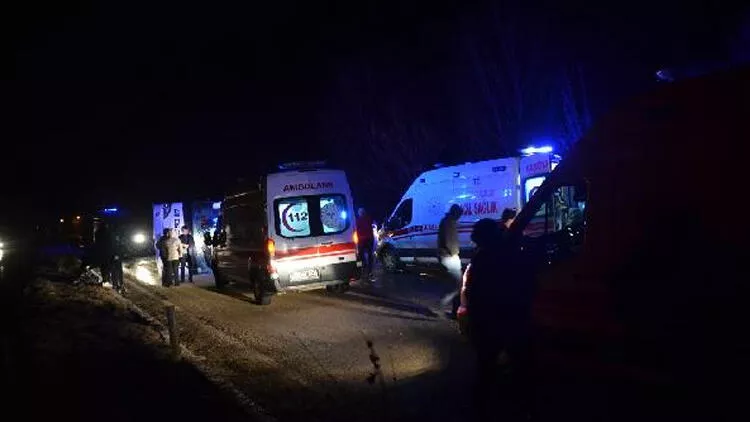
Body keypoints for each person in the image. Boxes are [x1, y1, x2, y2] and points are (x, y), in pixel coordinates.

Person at [464, 218, 533, 420]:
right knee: (518, 362)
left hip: (490, 321)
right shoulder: (510, 253)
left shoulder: (482, 259)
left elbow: (474, 294)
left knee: (487, 367)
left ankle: (483, 409)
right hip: (511, 317)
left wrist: (473, 321)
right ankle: (520, 406)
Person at [438, 204, 463, 317]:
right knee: (458, 285)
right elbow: (449, 241)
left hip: (447, 256)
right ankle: (444, 304)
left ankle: (452, 309)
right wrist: (455, 253)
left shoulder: (447, 221)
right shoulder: (449, 222)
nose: (460, 217)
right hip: (449, 256)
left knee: (455, 284)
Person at [355, 207, 375, 280]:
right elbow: (373, 225)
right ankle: (369, 270)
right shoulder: (368, 219)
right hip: (369, 239)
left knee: (361, 256)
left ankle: (363, 268)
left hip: (362, 240)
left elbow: (355, 229)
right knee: (369, 255)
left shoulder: (357, 220)